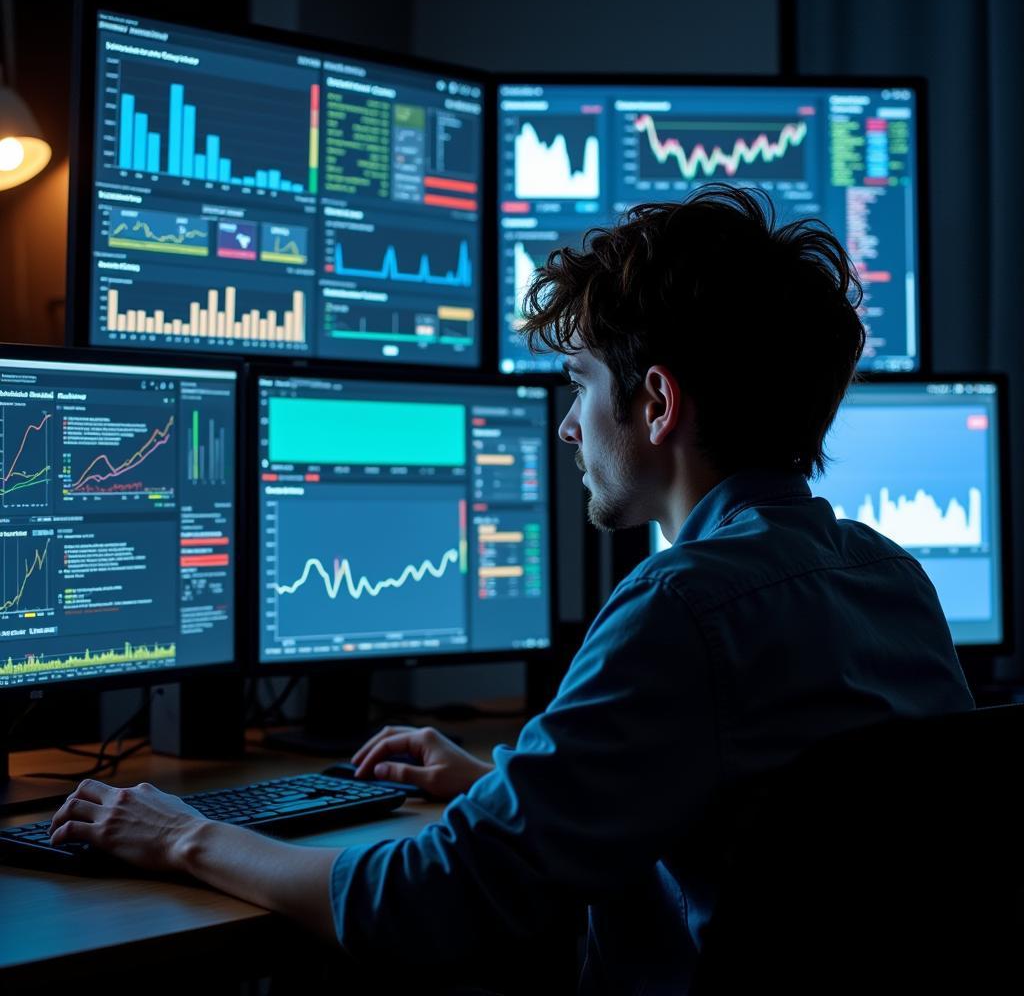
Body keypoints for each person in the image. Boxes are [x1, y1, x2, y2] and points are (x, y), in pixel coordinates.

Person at [48, 185, 974, 993]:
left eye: (580, 383)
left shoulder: (680, 607)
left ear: (656, 402)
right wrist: (501, 783)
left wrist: (179, 834)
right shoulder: (891, 578)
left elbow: (417, 907)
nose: (569, 427)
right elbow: (757, 825)